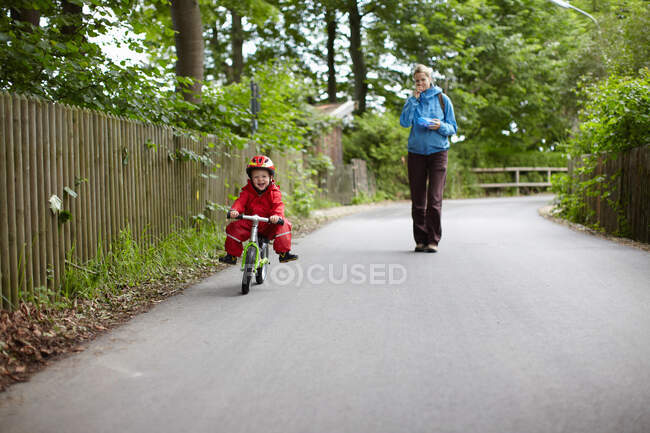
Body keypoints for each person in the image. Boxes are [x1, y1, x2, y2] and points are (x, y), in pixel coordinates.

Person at [399, 64, 458, 253]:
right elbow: (404, 122)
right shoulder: (412, 101)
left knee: (434, 199)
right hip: (416, 153)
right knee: (418, 200)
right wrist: (414, 101)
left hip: (438, 153)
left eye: (423, 80)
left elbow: (453, 128)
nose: (420, 83)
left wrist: (440, 126)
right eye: (417, 81)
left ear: (430, 79)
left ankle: (433, 240)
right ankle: (420, 239)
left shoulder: (443, 99)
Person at [219, 155, 298, 264]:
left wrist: (276, 215)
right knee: (234, 228)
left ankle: (284, 253)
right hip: (250, 223)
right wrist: (235, 210)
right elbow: (240, 201)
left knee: (284, 224)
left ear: (270, 177)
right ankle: (231, 255)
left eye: (264, 176)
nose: (260, 179)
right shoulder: (247, 192)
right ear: (251, 178)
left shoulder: (274, 192)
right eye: (256, 177)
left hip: (269, 223)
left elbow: (278, 205)